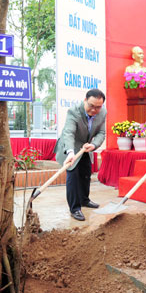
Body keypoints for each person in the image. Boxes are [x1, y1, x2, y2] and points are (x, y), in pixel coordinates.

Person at [54, 89, 106, 221]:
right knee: (73, 176)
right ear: (85, 101)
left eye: (98, 107)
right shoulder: (73, 112)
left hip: (86, 147)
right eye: (91, 106)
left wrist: (94, 145)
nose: (94, 110)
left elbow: (101, 133)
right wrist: (71, 152)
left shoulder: (103, 112)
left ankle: (84, 200)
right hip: (71, 146)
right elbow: (69, 133)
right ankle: (75, 208)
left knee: (85, 174)